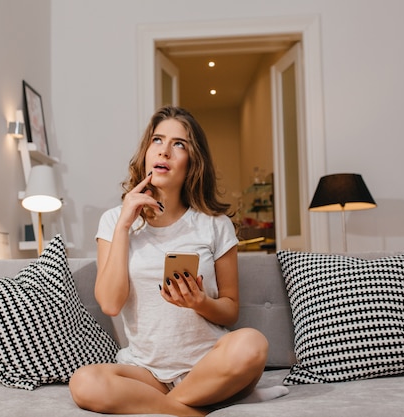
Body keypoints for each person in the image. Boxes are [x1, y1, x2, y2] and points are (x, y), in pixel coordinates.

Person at [69, 106, 270, 416]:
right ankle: (193, 412)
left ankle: (169, 409)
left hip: (208, 367)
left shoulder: (214, 224)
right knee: (84, 382)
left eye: (179, 144)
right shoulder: (114, 221)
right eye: (157, 140)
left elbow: (230, 310)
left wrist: (200, 302)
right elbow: (110, 303)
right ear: (146, 151)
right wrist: (124, 224)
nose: (164, 151)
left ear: (193, 162)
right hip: (146, 374)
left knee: (252, 344)